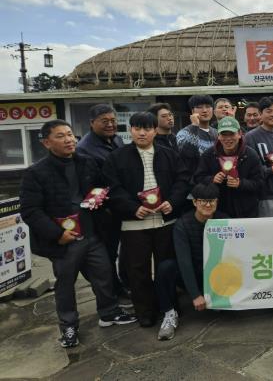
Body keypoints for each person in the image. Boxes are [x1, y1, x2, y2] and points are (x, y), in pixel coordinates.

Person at [20, 120, 136, 348]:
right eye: (60, 136)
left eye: (70, 134)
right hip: (64, 241)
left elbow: (102, 188)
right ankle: (69, 326)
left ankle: (109, 312)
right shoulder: (36, 173)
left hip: (92, 233)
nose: (69, 140)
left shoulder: (87, 162)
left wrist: (100, 197)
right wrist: (57, 234)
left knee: (104, 275)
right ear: (46, 143)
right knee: (65, 285)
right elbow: (30, 211)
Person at [102, 112, 190, 330]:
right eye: (137, 128)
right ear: (130, 130)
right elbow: (112, 188)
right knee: (137, 270)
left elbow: (182, 180)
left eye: (147, 128)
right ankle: (145, 312)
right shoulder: (116, 157)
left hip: (165, 222)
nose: (142, 133)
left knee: (166, 268)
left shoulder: (169, 155)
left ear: (155, 130)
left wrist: (172, 202)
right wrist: (132, 208)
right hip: (134, 224)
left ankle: (169, 307)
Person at [154, 183, 229, 339]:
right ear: (194, 202)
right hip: (195, 272)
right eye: (203, 201)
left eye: (212, 200)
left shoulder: (225, 220)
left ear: (217, 201)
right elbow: (184, 262)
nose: (208, 205)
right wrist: (195, 295)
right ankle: (169, 313)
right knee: (165, 268)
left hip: (217, 274)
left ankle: (219, 298)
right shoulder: (182, 224)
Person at [75, 104, 128, 303]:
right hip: (103, 212)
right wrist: (105, 209)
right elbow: (88, 187)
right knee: (107, 254)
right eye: (104, 121)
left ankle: (122, 285)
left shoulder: (117, 139)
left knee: (124, 250)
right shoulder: (84, 149)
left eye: (113, 120)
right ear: (92, 123)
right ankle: (112, 293)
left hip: (120, 205)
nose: (110, 125)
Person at [194, 116, 264, 218]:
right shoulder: (209, 154)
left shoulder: (251, 155)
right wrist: (212, 179)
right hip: (218, 211)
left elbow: (260, 183)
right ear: (218, 136)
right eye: (224, 134)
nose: (228, 138)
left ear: (239, 134)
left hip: (246, 211)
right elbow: (198, 178)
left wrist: (241, 183)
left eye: (231, 134)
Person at [176, 95, 218, 177]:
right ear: (193, 111)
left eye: (208, 107)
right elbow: (186, 156)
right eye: (199, 107)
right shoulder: (184, 133)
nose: (204, 110)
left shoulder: (217, 133)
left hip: (215, 179)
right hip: (193, 180)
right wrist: (194, 126)